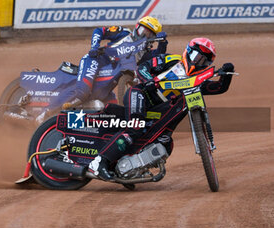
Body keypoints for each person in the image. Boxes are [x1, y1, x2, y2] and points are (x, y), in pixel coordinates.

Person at [88, 37, 235, 180]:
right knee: (135, 128)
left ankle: (129, 169)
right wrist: (149, 80)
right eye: (197, 57)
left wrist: (227, 75)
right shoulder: (171, 60)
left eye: (205, 61)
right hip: (140, 95)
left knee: (166, 143)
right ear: (188, 51)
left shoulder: (198, 80)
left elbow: (218, 87)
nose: (199, 62)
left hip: (157, 112)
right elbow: (144, 67)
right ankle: (99, 162)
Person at [36, 16, 168, 124]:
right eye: (143, 31)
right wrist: (94, 46)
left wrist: (162, 43)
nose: (145, 35)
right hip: (95, 61)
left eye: (149, 34)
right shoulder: (124, 33)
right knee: (83, 92)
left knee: (110, 109)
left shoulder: (144, 53)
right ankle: (45, 113)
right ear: (137, 27)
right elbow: (100, 31)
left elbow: (157, 59)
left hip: (110, 81)